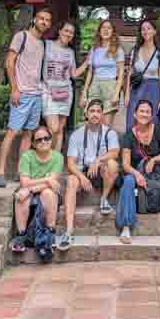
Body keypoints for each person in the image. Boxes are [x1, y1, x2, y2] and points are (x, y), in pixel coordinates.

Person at [0, 7, 52, 188]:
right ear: (35, 19)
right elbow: (9, 62)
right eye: (41, 18)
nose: (44, 22)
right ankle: (0, 173)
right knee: (12, 132)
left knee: (28, 135)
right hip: (22, 93)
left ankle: (21, 172)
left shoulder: (42, 43)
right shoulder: (22, 36)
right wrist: (14, 88)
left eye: (47, 20)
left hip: (36, 94)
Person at [58, 98, 121, 250]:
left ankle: (104, 199)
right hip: (83, 171)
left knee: (112, 164)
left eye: (99, 111)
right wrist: (81, 177)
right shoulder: (76, 135)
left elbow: (115, 152)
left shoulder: (110, 132)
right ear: (86, 113)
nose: (95, 114)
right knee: (72, 181)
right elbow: (71, 163)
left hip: (101, 171)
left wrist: (99, 159)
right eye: (92, 111)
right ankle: (69, 230)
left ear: (103, 115)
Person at [116, 99, 160, 244]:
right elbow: (125, 165)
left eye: (148, 112)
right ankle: (126, 226)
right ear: (135, 114)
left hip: (155, 173)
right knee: (128, 181)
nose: (144, 114)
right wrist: (137, 174)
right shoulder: (128, 136)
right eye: (142, 111)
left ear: (151, 116)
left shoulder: (157, 129)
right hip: (135, 172)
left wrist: (154, 159)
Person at [9, 125, 64, 253]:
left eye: (46, 138)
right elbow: (24, 182)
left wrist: (30, 189)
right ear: (33, 143)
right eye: (39, 140)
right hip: (32, 192)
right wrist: (46, 179)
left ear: (51, 140)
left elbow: (52, 184)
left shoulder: (57, 157)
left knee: (48, 192)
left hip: (46, 193)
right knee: (21, 195)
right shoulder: (27, 156)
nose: (43, 142)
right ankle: (21, 235)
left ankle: (50, 231)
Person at [42, 20, 88, 152]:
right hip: (49, 91)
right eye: (66, 31)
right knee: (53, 128)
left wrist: (87, 62)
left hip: (65, 93)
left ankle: (55, 159)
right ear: (59, 31)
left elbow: (73, 74)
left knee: (60, 130)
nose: (68, 34)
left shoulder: (70, 52)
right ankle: (47, 156)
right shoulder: (47, 45)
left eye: (71, 33)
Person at [80, 18, 125, 128]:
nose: (106, 30)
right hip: (95, 85)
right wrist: (84, 92)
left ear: (113, 31)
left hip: (110, 85)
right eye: (103, 28)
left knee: (106, 124)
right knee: (91, 121)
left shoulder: (118, 50)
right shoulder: (94, 49)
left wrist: (116, 94)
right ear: (99, 31)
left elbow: (121, 74)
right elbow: (90, 72)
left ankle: (105, 145)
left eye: (109, 28)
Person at [124, 18, 160, 132]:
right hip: (137, 88)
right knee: (132, 119)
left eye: (149, 28)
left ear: (154, 31)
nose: (146, 31)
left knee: (152, 120)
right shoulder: (135, 50)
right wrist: (127, 94)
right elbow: (130, 73)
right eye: (143, 29)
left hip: (154, 88)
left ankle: (150, 149)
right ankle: (132, 148)